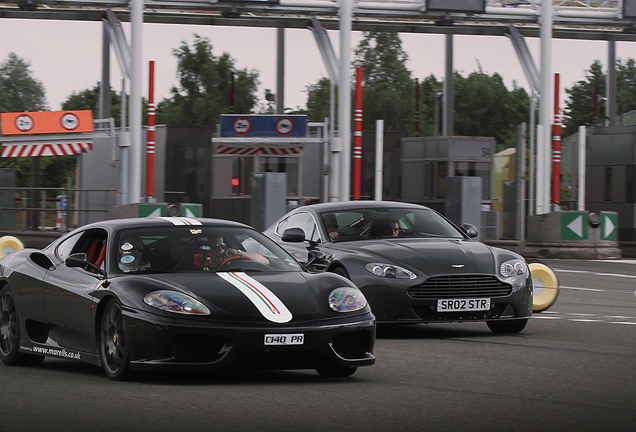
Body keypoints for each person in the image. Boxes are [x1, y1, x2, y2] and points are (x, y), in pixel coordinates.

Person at [201, 235, 269, 269]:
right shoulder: (198, 267)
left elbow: (265, 262)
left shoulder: (233, 263)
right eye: (214, 246)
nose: (220, 249)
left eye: (222, 246)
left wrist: (237, 253)